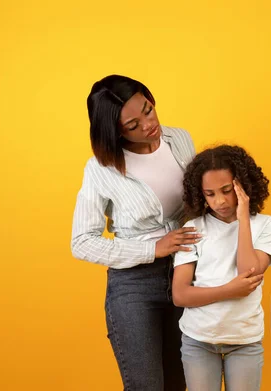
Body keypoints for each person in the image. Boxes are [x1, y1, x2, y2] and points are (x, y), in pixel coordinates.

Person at [71, 74, 200, 390]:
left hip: (188, 273)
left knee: (183, 383)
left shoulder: (179, 139)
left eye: (147, 109)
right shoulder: (101, 169)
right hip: (135, 286)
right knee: (146, 385)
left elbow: (200, 202)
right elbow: (81, 242)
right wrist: (153, 248)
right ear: (114, 131)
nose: (148, 124)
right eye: (132, 125)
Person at [172, 145, 271, 391]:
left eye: (227, 191)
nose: (219, 201)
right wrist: (230, 289)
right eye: (209, 194)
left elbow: (249, 272)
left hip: (244, 341)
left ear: (243, 186)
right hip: (198, 339)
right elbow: (180, 295)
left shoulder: (266, 225)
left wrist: (243, 219)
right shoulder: (193, 228)